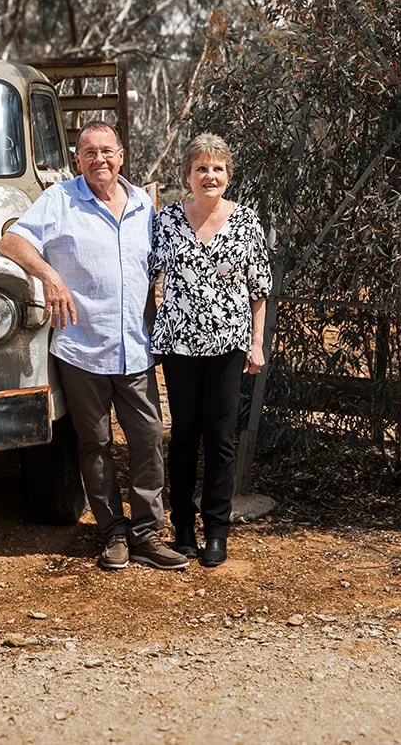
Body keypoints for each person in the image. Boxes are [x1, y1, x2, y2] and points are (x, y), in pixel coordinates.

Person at [0, 121, 188, 572]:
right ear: (77, 160)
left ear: (121, 155)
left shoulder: (143, 204)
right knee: (95, 442)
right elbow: (11, 242)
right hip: (82, 347)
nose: (99, 159)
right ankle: (113, 532)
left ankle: (146, 533)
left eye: (106, 151)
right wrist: (50, 275)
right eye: (89, 152)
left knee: (147, 438)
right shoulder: (59, 200)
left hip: (136, 347)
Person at [149, 133, 271, 568]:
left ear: (228, 176)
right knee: (184, 436)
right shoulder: (166, 220)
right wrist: (152, 330)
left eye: (217, 168)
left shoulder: (246, 222)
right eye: (201, 168)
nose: (209, 175)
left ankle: (217, 530)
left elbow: (259, 290)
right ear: (188, 174)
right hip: (179, 346)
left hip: (228, 346)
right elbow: (147, 279)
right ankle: (182, 527)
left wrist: (256, 344)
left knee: (220, 439)